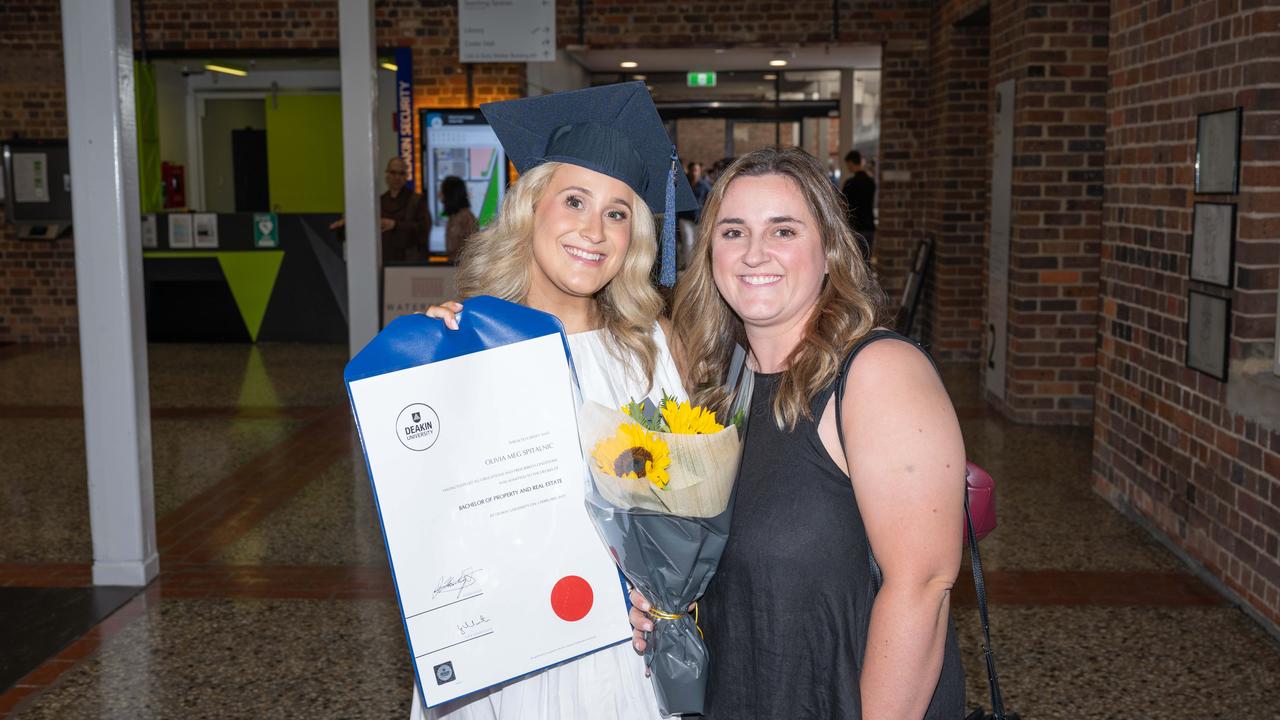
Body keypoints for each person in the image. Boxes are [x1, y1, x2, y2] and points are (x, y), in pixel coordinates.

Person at [633, 147, 967, 719]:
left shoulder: (876, 373)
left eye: (783, 230)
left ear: (831, 250)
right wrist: (669, 604)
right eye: (733, 232)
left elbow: (923, 585)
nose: (755, 253)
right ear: (710, 252)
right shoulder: (721, 387)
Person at [411, 81, 698, 720]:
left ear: (636, 236)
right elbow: (427, 507)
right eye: (574, 200)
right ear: (531, 207)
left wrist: (663, 591)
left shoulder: (650, 347)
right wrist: (419, 371)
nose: (593, 231)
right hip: (505, 652)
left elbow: (680, 513)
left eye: (618, 212)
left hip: (624, 650)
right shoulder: (469, 341)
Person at [329, 157, 430, 263]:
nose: (397, 177)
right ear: (387, 175)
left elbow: (424, 230)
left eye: (401, 173)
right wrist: (348, 223)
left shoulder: (417, 201)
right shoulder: (379, 202)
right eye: (393, 173)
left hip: (409, 263)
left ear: (406, 176)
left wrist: (395, 225)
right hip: (383, 262)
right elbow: (365, 225)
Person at [841, 149, 876, 261]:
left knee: (855, 262)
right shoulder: (871, 182)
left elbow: (843, 204)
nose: (848, 168)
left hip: (855, 227)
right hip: (869, 226)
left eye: (848, 165)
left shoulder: (850, 183)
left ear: (851, 163)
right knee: (866, 261)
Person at [440, 175, 479, 260]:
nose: (439, 195)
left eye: (442, 191)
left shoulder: (466, 217)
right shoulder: (453, 217)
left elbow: (472, 250)